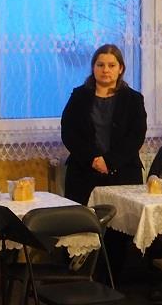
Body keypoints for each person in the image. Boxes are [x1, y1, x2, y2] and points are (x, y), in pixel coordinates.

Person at [60, 44, 147, 204]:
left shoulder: (134, 99)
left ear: (120, 69)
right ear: (93, 68)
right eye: (100, 65)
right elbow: (69, 133)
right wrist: (93, 159)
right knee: (82, 219)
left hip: (123, 172)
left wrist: (109, 162)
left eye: (111, 65)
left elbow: (136, 136)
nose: (105, 70)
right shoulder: (79, 96)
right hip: (83, 172)